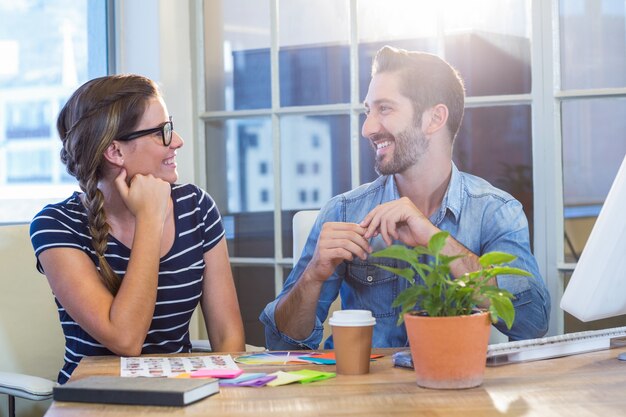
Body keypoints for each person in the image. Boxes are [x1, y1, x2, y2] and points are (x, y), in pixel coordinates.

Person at [260, 46, 551, 350]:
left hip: (457, 388)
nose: (367, 128)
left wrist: (433, 238)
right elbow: (280, 345)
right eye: (367, 111)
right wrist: (312, 276)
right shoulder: (344, 211)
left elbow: (533, 324)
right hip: (364, 392)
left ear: (434, 118)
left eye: (384, 109)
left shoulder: (496, 212)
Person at [30, 74, 245, 383]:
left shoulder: (195, 207)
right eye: (163, 132)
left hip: (183, 396)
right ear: (115, 151)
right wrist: (149, 219)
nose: (178, 141)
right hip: (95, 403)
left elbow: (229, 337)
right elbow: (126, 340)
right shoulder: (56, 225)